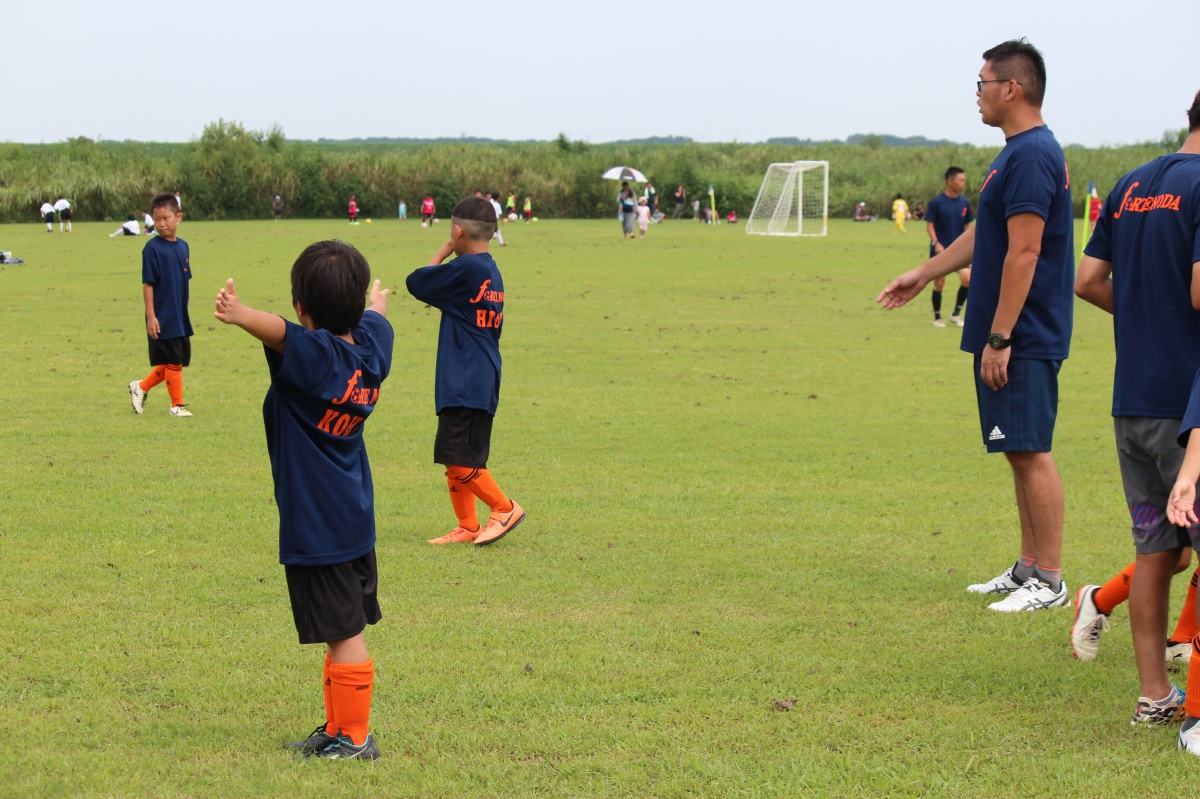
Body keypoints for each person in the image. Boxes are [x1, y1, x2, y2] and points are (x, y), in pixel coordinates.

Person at [877, 39, 1074, 612]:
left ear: (1012, 87)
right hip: (1010, 332)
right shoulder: (1014, 154)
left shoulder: (1032, 154)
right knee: (1016, 448)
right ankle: (1028, 567)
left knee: (1031, 449)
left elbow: (1025, 252)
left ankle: (1050, 581)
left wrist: (1000, 336)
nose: (977, 94)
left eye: (982, 83)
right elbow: (984, 235)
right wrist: (924, 272)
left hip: (1023, 334)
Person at [212, 240, 393, 761]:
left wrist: (241, 314)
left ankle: (356, 739)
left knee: (345, 634)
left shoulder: (316, 359)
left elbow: (280, 332)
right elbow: (378, 321)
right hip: (351, 515)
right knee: (339, 631)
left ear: (300, 306)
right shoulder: (371, 349)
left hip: (321, 525)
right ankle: (338, 730)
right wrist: (376, 305)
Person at [1074, 88, 1200, 735]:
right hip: (1189, 408)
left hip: (1133, 406)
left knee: (1156, 552)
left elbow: (1087, 280)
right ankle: (1196, 710)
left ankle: (1155, 695)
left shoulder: (1129, 184)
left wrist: (1148, 315)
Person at [405, 196, 525, 547]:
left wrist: (443, 251)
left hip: (465, 377)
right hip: (479, 375)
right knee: (462, 456)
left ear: (457, 231)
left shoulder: (466, 269)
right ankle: (468, 525)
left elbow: (416, 282)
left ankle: (504, 509)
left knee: (455, 456)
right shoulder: (488, 269)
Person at [128, 194, 194, 418]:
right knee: (174, 360)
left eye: (166, 218)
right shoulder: (152, 249)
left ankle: (141, 387)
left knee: (175, 361)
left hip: (179, 314)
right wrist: (151, 316)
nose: (161, 223)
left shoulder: (183, 247)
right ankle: (177, 405)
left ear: (178, 217)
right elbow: (148, 284)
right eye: (156, 219)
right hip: (162, 314)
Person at [925, 167, 975, 327]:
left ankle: (955, 314)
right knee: (939, 282)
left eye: (964, 180)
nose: (963, 183)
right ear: (950, 181)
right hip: (941, 250)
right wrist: (936, 243)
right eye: (960, 180)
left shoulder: (964, 202)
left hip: (960, 251)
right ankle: (937, 317)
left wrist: (970, 245)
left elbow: (967, 226)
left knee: (967, 279)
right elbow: (930, 224)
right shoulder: (937, 202)